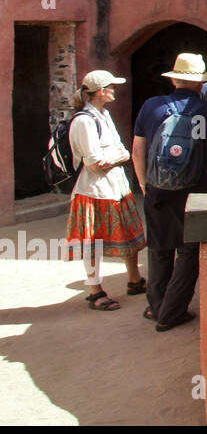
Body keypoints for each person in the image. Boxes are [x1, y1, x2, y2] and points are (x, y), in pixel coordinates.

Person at [132, 53, 207, 332]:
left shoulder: (151, 107)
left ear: (175, 78)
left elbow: (137, 150)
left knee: (159, 248)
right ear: (199, 83)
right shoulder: (205, 111)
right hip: (194, 190)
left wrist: (145, 184)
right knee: (189, 251)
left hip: (157, 187)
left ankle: (156, 307)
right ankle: (172, 312)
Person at [64, 70, 146, 311]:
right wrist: (118, 157)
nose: (114, 90)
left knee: (129, 233)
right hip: (95, 191)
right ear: (101, 91)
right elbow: (94, 162)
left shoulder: (103, 116)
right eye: (111, 87)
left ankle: (134, 280)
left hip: (115, 187)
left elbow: (120, 151)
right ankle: (95, 290)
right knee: (92, 243)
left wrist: (116, 156)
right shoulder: (84, 121)